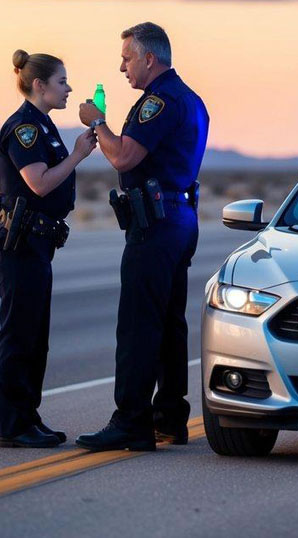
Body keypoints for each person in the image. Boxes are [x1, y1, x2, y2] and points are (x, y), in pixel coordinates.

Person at [75, 22, 208, 451]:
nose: (122, 68)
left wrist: (98, 123)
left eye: (127, 58)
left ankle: (131, 421)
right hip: (178, 218)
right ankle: (169, 418)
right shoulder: (190, 98)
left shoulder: (159, 101)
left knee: (138, 325)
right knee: (168, 323)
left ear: (150, 59)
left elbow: (125, 155)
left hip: (155, 223)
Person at [0, 49, 97, 448]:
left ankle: (27, 418)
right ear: (39, 85)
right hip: (19, 242)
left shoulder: (43, 125)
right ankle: (13, 426)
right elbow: (39, 183)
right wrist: (78, 155)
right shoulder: (25, 128)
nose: (68, 88)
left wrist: (77, 152)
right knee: (20, 334)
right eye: (62, 81)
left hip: (37, 242)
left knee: (35, 335)